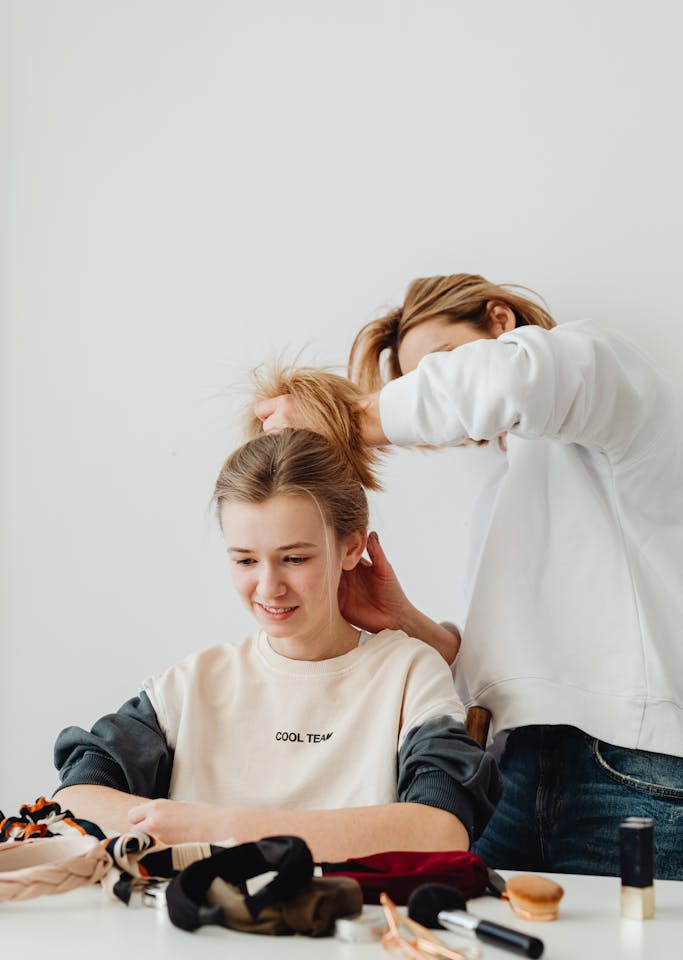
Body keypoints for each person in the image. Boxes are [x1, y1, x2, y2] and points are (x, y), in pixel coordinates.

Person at [254, 274, 683, 879]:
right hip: (508, 779)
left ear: (501, 322)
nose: (436, 393)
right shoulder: (500, 494)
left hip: (630, 773)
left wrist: (346, 416)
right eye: (417, 383)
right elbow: (498, 673)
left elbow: (514, 378)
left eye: (442, 366)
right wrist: (408, 625)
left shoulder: (608, 380)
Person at [54, 384, 501, 861]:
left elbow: (440, 831)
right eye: (246, 561)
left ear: (351, 547)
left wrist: (221, 827)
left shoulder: (408, 672)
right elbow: (74, 796)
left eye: (293, 558)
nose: (269, 588)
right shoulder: (195, 683)